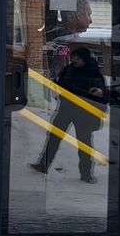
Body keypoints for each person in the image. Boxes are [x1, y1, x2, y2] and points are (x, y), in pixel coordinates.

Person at [30, 45, 107, 183]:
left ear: (85, 59)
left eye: (78, 58)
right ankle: (43, 165)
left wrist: (100, 92)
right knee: (54, 137)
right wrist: (56, 85)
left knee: (84, 143)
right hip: (66, 109)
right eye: (74, 57)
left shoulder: (93, 72)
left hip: (84, 113)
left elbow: (102, 92)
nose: (75, 60)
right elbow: (60, 85)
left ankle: (86, 174)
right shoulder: (69, 70)